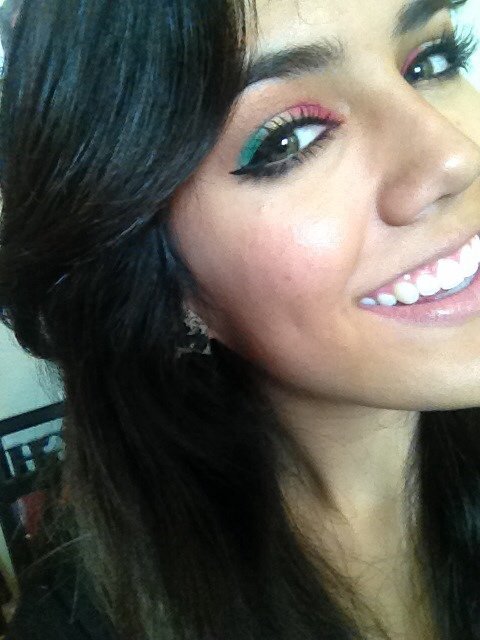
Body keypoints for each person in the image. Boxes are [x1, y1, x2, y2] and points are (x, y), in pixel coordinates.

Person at [0, 0, 479, 638]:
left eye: (431, 63)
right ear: (165, 285)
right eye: (290, 138)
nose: (454, 157)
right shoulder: (85, 621)